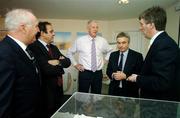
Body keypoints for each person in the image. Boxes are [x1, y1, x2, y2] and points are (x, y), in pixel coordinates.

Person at [127, 6, 179, 101]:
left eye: (141, 24)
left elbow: (162, 82)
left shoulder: (164, 45)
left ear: (151, 24)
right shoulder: (160, 42)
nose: (140, 28)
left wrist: (137, 78)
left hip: (159, 106)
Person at [0, 9, 41, 118]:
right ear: (23, 28)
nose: (38, 30)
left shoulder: (27, 50)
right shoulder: (4, 53)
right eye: (36, 26)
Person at [28, 21, 71, 117]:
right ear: (42, 33)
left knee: (58, 112)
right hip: (45, 93)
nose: (54, 34)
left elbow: (68, 62)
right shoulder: (33, 47)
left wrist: (58, 62)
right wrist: (60, 65)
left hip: (58, 89)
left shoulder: (54, 48)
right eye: (51, 31)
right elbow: (46, 70)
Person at [67, 20, 113, 94]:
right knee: (82, 95)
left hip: (98, 73)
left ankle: (94, 106)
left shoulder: (102, 41)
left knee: (96, 95)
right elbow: (69, 52)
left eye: (97, 27)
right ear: (88, 28)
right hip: (84, 73)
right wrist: (75, 64)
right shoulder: (80, 40)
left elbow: (110, 50)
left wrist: (106, 59)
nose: (95, 29)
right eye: (93, 27)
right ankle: (82, 106)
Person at [106, 32, 143, 97]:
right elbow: (108, 70)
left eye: (123, 42)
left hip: (130, 91)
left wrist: (125, 76)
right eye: (119, 43)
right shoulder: (113, 55)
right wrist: (113, 75)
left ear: (128, 43)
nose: (121, 45)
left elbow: (140, 73)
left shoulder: (137, 56)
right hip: (114, 91)